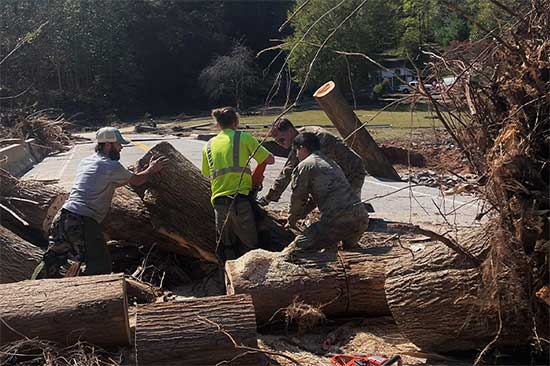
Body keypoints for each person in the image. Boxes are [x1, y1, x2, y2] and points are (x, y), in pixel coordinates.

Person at [32, 127, 167, 279]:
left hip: (63, 217)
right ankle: (93, 296)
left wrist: (136, 171)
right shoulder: (110, 165)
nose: (121, 147)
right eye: (118, 144)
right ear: (108, 145)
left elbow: (110, 183)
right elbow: (137, 181)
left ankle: (33, 287)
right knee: (100, 264)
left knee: (53, 258)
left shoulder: (87, 161)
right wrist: (151, 169)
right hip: (83, 221)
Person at [201, 106, 275, 263]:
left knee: (226, 247)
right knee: (251, 246)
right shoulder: (243, 137)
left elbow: (206, 174)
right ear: (235, 122)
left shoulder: (208, 145)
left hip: (219, 203)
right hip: (240, 201)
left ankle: (226, 279)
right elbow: (269, 160)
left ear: (217, 124)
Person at [282, 132, 369, 258]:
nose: (296, 155)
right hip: (360, 219)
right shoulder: (331, 163)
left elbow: (298, 198)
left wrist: (291, 219)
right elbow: (314, 200)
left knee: (296, 249)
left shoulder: (305, 166)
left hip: (337, 221)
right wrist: (300, 215)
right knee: (345, 251)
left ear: (302, 148)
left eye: (296, 151)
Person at [259, 118, 366, 206]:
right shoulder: (298, 142)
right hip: (338, 173)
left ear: (290, 131)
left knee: (347, 211)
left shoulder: (315, 139)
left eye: (281, 139)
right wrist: (269, 198)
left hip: (352, 171)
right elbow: (287, 171)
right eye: (277, 141)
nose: (280, 144)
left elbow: (317, 174)